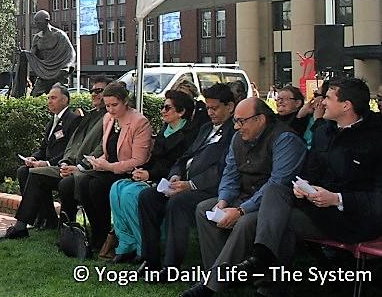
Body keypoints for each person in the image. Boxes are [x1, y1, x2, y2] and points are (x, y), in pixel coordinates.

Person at [233, 78, 382, 295]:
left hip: (355, 217)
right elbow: (310, 172)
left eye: (327, 98)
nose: (321, 104)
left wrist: (337, 199)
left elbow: (377, 197)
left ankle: (268, 283)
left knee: (278, 221)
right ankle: (261, 260)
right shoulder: (324, 132)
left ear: (346, 105)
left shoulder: (376, 138)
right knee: (276, 191)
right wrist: (302, 186)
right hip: (317, 206)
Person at [181, 98, 307, 297]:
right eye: (235, 121)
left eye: (242, 121)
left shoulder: (285, 139)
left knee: (245, 222)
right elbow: (230, 175)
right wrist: (222, 202)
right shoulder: (238, 138)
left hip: (274, 206)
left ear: (260, 119)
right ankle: (223, 275)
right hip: (244, 195)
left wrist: (241, 210)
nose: (237, 126)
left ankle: (212, 284)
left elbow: (278, 184)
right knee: (205, 208)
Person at [137, 83, 237, 276]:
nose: (210, 112)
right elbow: (186, 157)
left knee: (178, 203)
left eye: (215, 108)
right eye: (207, 107)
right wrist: (175, 174)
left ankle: (171, 266)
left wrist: (191, 185)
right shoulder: (206, 128)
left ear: (230, 107)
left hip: (209, 189)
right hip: (184, 182)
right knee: (148, 197)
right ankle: (151, 260)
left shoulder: (234, 132)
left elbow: (223, 169)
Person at [0, 78, 108, 242]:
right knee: (26, 171)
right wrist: (59, 161)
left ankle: (23, 226)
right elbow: (68, 146)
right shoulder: (87, 116)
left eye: (99, 91)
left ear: (65, 100)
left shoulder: (80, 118)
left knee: (37, 175)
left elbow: (100, 147)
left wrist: (73, 165)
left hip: (84, 169)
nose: (94, 94)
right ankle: (44, 219)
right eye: (92, 91)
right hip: (67, 165)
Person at [109, 90, 196, 264]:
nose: (162, 111)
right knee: (116, 187)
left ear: (181, 111)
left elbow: (174, 165)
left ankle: (143, 247)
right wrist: (141, 170)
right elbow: (155, 159)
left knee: (130, 194)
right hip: (154, 176)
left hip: (169, 181)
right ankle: (127, 243)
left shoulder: (189, 135)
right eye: (162, 106)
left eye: (167, 107)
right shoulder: (166, 129)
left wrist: (149, 173)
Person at [77, 81, 153, 251]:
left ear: (125, 101)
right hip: (110, 168)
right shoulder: (108, 119)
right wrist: (98, 162)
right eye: (107, 105)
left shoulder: (139, 122)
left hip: (129, 172)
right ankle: (99, 231)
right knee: (83, 183)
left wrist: (109, 166)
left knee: (96, 186)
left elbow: (138, 160)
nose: (110, 109)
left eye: (114, 105)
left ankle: (107, 235)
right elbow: (108, 150)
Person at [13, 10, 76, 97]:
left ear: (47, 21)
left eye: (39, 23)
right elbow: (32, 55)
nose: (37, 25)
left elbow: (71, 53)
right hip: (44, 72)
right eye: (36, 23)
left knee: (59, 96)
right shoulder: (37, 37)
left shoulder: (59, 35)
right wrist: (22, 53)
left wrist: (67, 67)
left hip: (58, 71)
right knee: (34, 96)